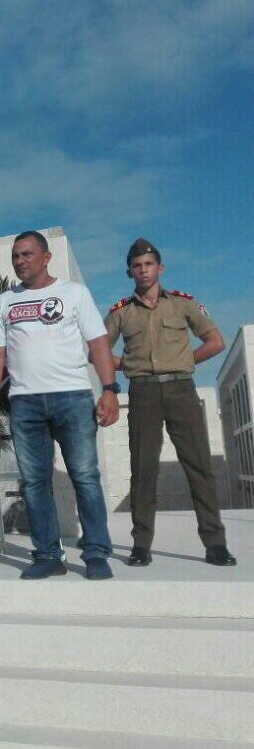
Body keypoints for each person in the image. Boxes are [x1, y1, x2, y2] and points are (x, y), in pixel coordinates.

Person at [0, 231, 120, 581]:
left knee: (85, 477)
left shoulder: (74, 293)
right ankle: (47, 555)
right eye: (15, 255)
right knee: (34, 482)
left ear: (46, 257)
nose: (20, 261)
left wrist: (108, 389)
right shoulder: (3, 303)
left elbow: (98, 342)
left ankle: (96, 553)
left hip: (72, 398)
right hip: (24, 404)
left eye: (27, 254)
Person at [105, 238, 235, 567]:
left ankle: (215, 543)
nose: (143, 270)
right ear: (129, 271)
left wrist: (182, 360)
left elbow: (215, 341)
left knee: (199, 467)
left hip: (181, 391)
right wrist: (129, 365)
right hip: (143, 393)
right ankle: (141, 546)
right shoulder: (121, 312)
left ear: (159, 268)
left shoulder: (182, 304)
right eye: (137, 265)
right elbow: (99, 352)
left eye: (149, 264)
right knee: (143, 470)